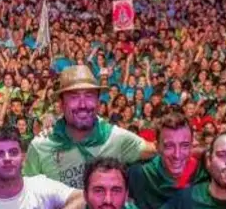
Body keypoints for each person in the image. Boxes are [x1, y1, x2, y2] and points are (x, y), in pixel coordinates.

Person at [24, 65, 154, 189]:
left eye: (89, 96)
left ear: (98, 102)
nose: (82, 105)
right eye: (74, 97)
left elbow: (158, 150)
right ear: (62, 104)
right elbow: (28, 198)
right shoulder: (40, 146)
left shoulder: (116, 138)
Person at [127, 111, 209, 209]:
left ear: (192, 146)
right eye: (169, 146)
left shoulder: (203, 174)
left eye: (184, 146)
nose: (177, 155)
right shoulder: (139, 175)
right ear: (157, 146)